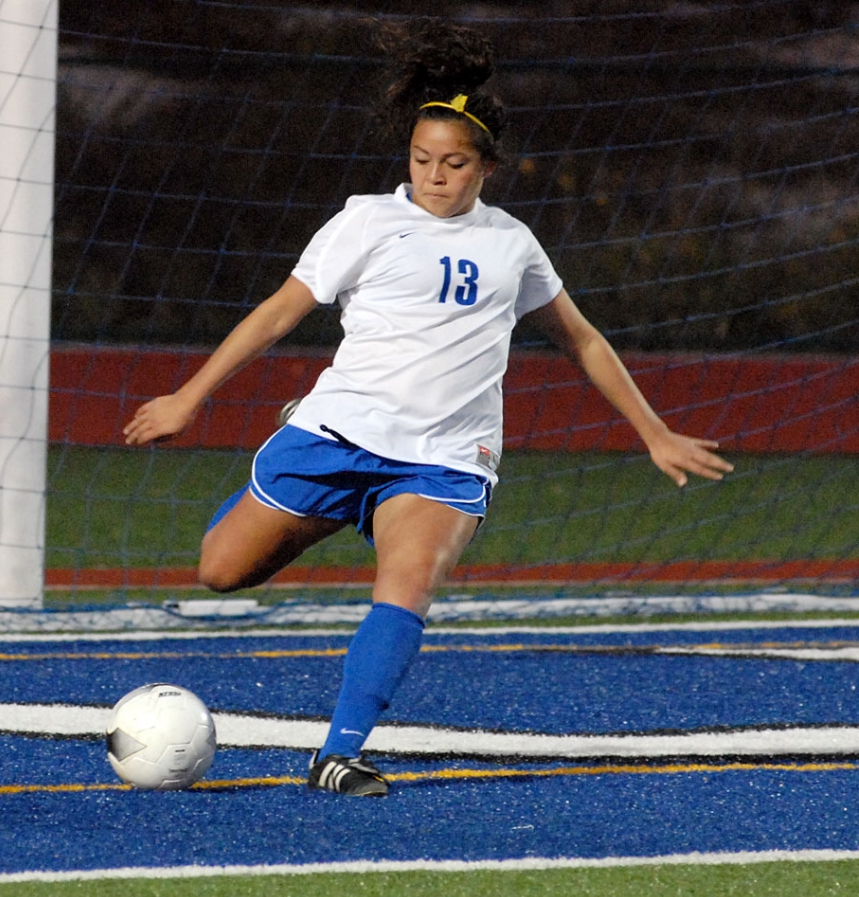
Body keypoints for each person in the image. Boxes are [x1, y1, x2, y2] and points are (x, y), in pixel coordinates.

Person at [123, 21, 733, 797]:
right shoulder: (366, 222)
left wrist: (654, 433)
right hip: (338, 436)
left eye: (455, 163)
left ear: (488, 167)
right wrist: (188, 396)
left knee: (408, 582)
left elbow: (582, 341)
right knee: (219, 572)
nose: (437, 176)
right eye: (422, 160)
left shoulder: (514, 245)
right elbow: (279, 313)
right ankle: (310, 465)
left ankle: (337, 754)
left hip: (444, 458)